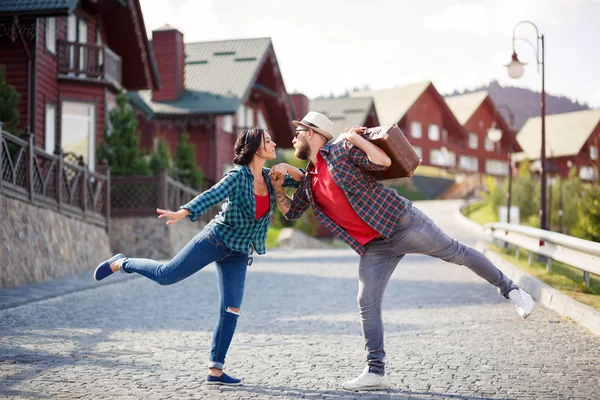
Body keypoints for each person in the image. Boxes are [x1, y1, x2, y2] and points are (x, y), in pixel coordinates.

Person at [269, 112, 536, 391]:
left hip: (401, 223)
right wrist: (279, 189)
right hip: (375, 247)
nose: (293, 138)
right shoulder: (310, 181)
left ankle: (513, 291)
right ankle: (376, 372)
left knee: (458, 253)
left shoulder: (342, 150)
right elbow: (291, 212)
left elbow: (382, 162)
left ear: (311, 134)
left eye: (297, 133)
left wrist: (353, 138)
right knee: (366, 301)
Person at [94, 128, 301, 386]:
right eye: (268, 140)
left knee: (232, 309)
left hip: (238, 252)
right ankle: (121, 262)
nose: (273, 143)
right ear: (254, 146)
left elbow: (303, 181)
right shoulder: (238, 176)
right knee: (166, 275)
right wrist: (184, 211)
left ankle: (216, 369)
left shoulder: (273, 177)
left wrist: (285, 166)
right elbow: (213, 194)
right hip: (214, 240)